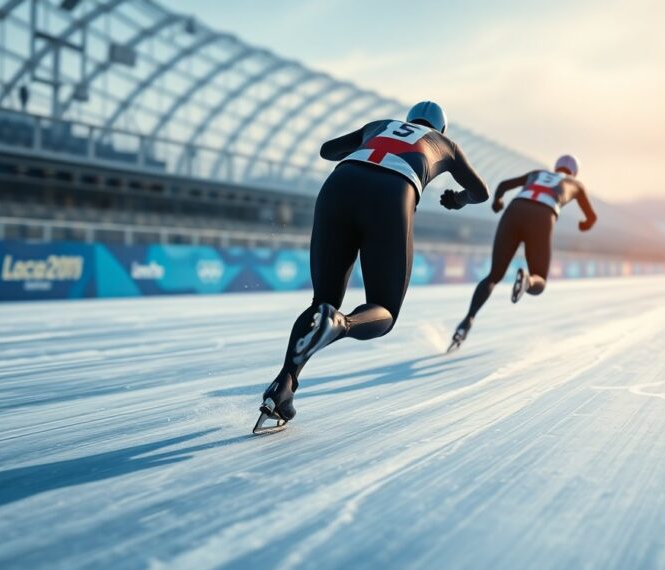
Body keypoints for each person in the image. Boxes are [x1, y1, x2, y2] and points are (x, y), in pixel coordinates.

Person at [254, 101, 490, 433]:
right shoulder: (446, 145)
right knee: (384, 310)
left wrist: (365, 142)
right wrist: (457, 199)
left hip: (340, 184)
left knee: (322, 302)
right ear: (441, 130)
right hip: (392, 193)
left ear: (408, 120)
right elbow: (481, 192)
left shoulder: (380, 125)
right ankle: (342, 324)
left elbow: (327, 150)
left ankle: (282, 388)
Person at [448, 154, 597, 352]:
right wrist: (584, 225)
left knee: (494, 275)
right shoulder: (576, 184)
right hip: (543, 215)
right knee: (540, 279)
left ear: (555, 166)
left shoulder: (537, 173)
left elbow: (502, 185)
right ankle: (528, 281)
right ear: (575, 173)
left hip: (515, 209)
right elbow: (591, 218)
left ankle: (468, 319)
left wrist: (497, 202)